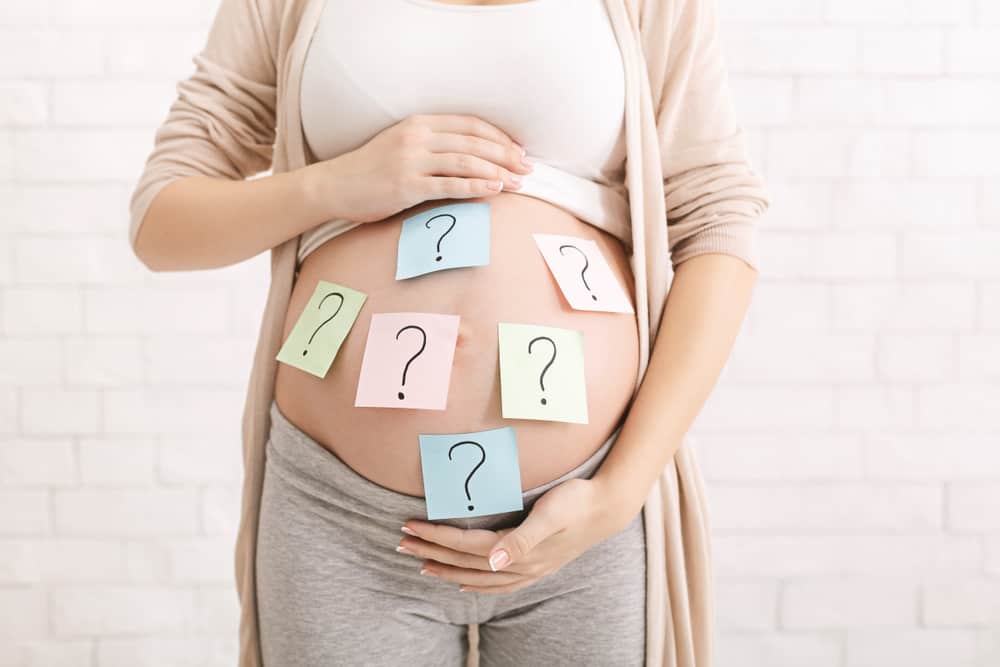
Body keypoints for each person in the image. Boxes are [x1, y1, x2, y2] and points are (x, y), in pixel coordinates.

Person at [127, 0, 769, 665]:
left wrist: (619, 491)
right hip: (339, 517)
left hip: (584, 512)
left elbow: (718, 224)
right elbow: (161, 220)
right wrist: (335, 185)